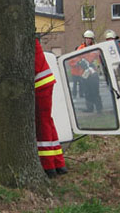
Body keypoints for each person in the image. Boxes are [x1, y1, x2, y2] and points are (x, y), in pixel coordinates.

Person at [35, 39, 67, 178]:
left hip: (40, 86)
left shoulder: (23, 39)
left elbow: (32, 67)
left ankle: (48, 166)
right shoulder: (29, 38)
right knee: (47, 121)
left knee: (42, 123)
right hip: (44, 84)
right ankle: (58, 163)